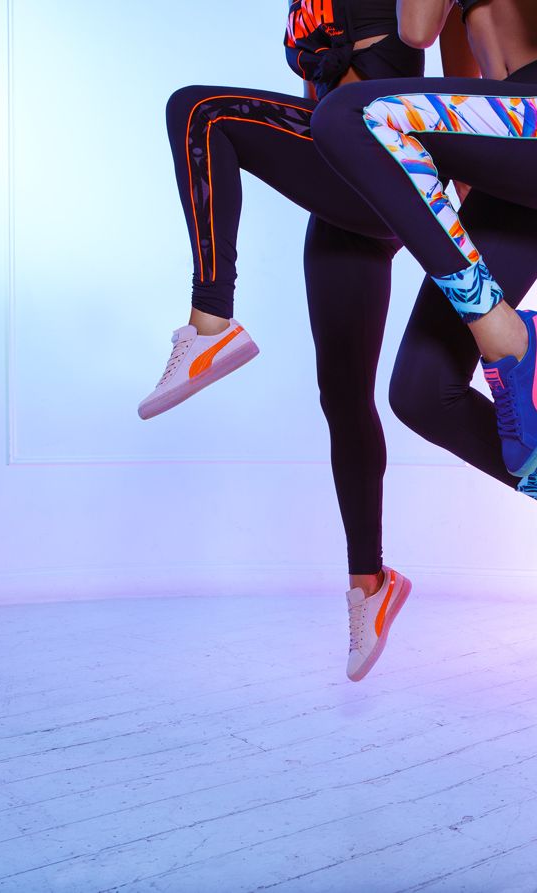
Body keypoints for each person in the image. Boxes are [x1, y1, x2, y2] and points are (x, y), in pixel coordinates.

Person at [137, 1, 485, 682]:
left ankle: (210, 323)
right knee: (343, 398)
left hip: (386, 157)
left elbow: (459, 90)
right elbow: (313, 99)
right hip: (341, 180)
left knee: (199, 112)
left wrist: (456, 236)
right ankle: (369, 584)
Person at [300, 0, 537, 660]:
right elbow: (419, 33)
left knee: (348, 116)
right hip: (515, 148)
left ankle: (508, 337)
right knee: (421, 392)